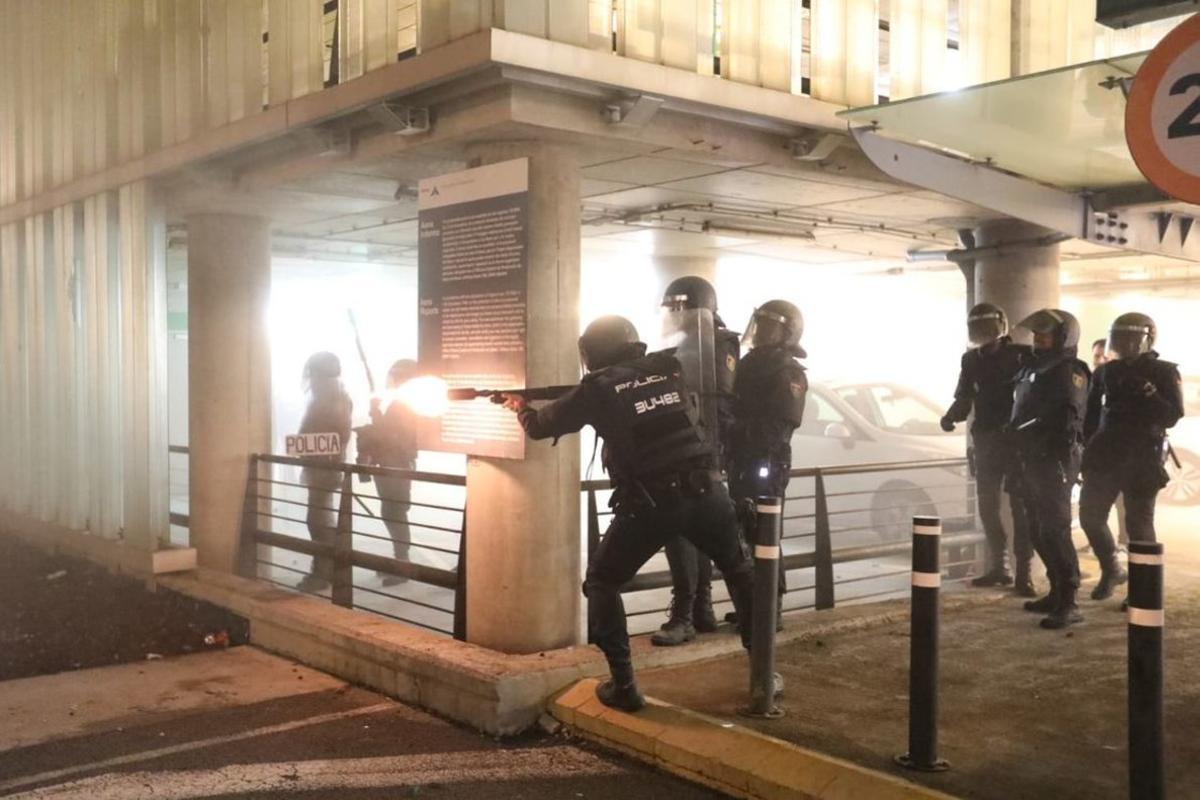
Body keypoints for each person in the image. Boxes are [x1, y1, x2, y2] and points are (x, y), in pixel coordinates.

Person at [502, 316, 758, 711]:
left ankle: (624, 686)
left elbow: (540, 426)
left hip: (652, 503)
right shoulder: (669, 369)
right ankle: (763, 672)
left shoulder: (598, 388)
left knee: (602, 581)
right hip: (708, 492)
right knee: (740, 571)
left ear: (591, 353)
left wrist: (519, 406)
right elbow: (634, 396)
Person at [654, 276, 740, 647]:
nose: (676, 314)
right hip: (701, 455)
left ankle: (685, 616)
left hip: (699, 456)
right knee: (699, 532)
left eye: (681, 307)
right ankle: (701, 610)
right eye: (671, 308)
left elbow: (713, 406)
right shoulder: (699, 345)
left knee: (682, 532)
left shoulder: (710, 347)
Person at [1079, 313, 1183, 605]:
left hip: (1142, 458)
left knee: (1139, 527)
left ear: (1146, 339)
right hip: (1106, 454)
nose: (1124, 344)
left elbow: (1172, 416)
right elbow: (1089, 417)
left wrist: (1150, 393)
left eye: (1130, 338)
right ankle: (1111, 568)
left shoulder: (1164, 371)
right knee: (1090, 516)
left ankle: (1144, 590)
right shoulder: (1104, 372)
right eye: (1119, 337)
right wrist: (1086, 449)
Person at [939, 303, 1036, 596]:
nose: (983, 334)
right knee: (987, 507)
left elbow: (1036, 393)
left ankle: (1024, 573)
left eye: (987, 328)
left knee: (1021, 509)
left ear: (1001, 327)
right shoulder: (971, 360)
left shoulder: (1022, 355)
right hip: (986, 441)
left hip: (1016, 441)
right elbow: (964, 396)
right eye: (978, 328)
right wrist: (950, 416)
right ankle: (1000, 567)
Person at [726, 300, 808, 631]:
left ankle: (771, 607)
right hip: (741, 461)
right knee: (743, 534)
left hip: (767, 463)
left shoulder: (788, 373)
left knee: (766, 533)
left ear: (786, 332)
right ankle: (753, 603)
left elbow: (777, 430)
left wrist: (733, 427)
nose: (758, 332)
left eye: (767, 326)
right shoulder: (747, 365)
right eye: (757, 325)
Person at [1007, 310, 1090, 629]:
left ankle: (1069, 600)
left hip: (1054, 459)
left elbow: (1066, 418)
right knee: (1035, 528)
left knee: (1055, 529)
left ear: (1064, 336)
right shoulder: (1033, 366)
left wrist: (1030, 432)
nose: (1039, 338)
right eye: (1037, 333)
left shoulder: (1070, 370)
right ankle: (1056, 591)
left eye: (1046, 333)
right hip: (1028, 458)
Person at [356, 359, 421, 587]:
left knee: (394, 514)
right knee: (392, 512)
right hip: (394, 465)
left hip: (396, 466)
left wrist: (375, 413)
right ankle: (400, 560)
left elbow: (391, 436)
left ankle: (403, 564)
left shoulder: (402, 406)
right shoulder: (404, 405)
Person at [297, 351, 353, 593]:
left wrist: (308, 446)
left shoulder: (332, 398)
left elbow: (341, 435)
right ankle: (323, 569)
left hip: (324, 467)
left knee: (318, 521)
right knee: (319, 520)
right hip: (319, 466)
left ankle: (323, 572)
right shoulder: (329, 396)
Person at [1084, 337, 1128, 555]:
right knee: (1094, 508)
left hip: (1120, 453)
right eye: (1096, 356)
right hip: (1097, 453)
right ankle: (1100, 544)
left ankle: (1124, 542)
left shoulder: (1120, 383)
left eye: (1104, 356)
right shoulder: (1091, 381)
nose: (1100, 360)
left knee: (1123, 501)